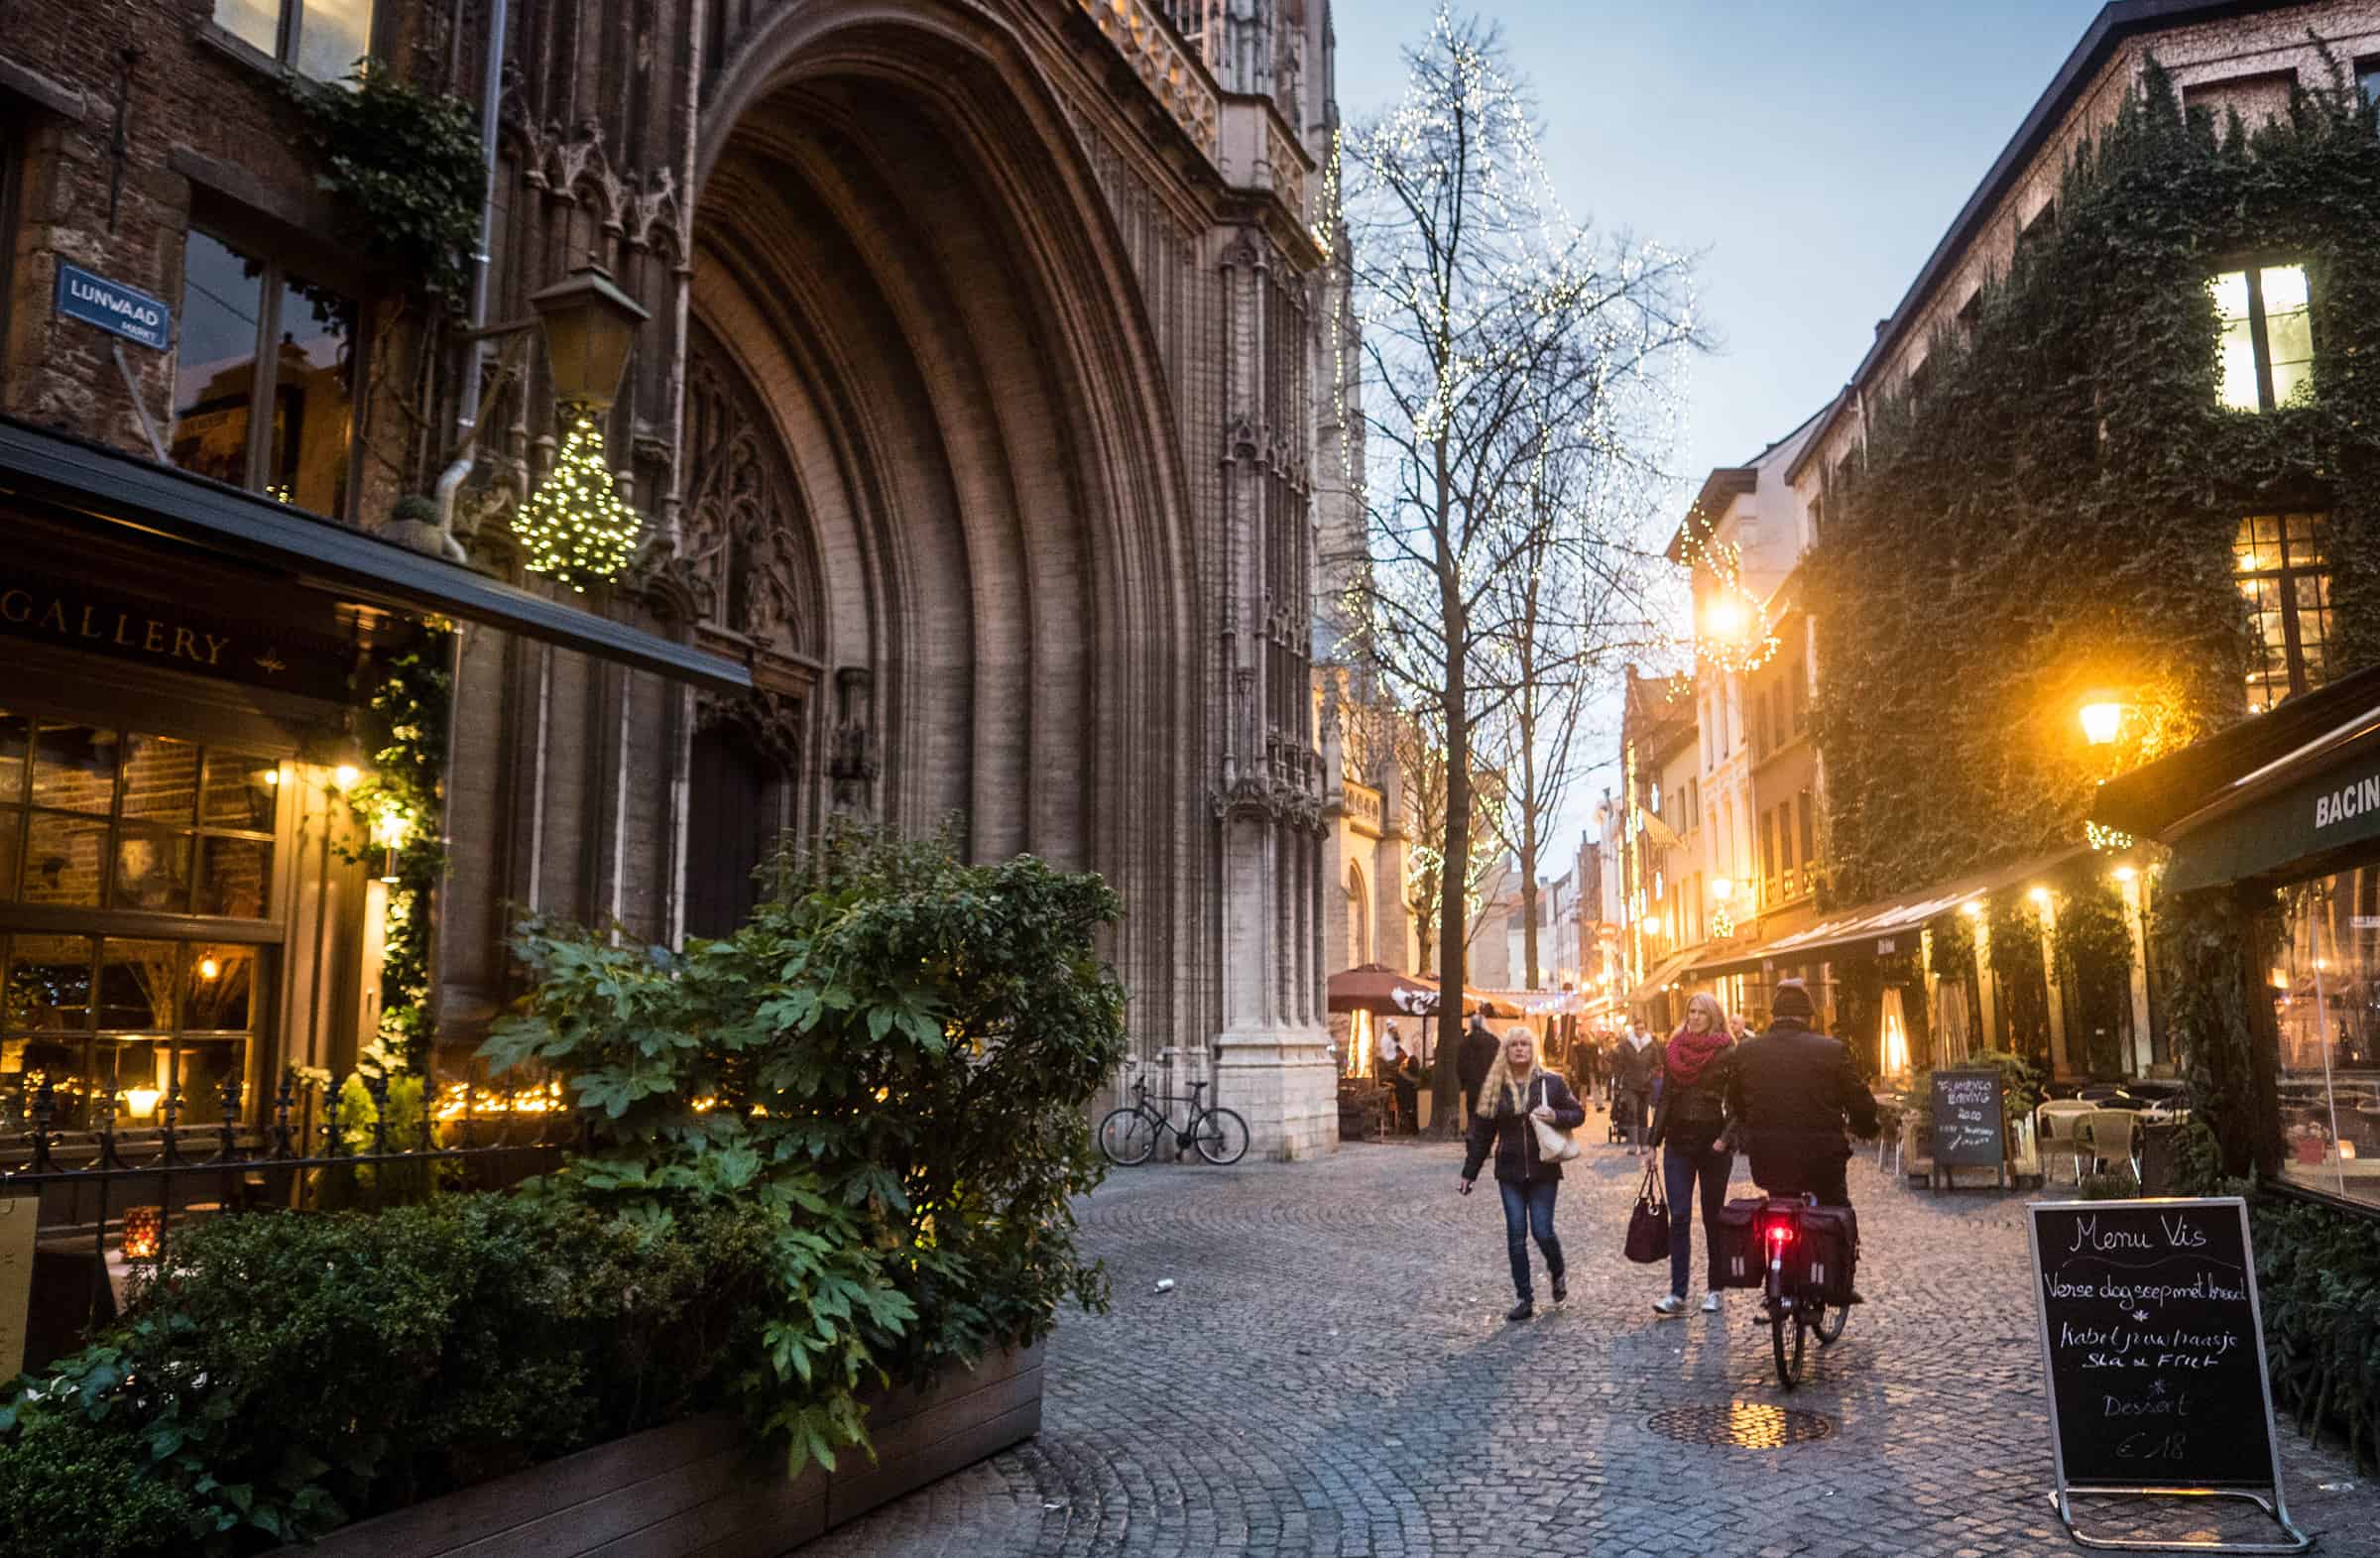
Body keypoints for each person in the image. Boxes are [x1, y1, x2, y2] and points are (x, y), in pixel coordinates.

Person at [1457, 1026, 1588, 1321]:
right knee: (1516, 1235)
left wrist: (1556, 1116)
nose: (1519, 1049)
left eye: (1524, 1044)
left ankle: (1557, 1271)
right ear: (1506, 1050)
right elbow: (1482, 1133)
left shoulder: (1550, 1083)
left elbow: (1578, 1114)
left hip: (1544, 1170)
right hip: (1509, 1172)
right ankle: (1524, 1298)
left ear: (1532, 1049)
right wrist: (1469, 1173)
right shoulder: (1496, 1087)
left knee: (1542, 1231)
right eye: (1513, 1044)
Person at [1725, 979, 1879, 1211]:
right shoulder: (1831, 1050)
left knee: (1775, 1208)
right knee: (1835, 1215)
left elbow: (1735, 1102)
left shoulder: (1747, 1051)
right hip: (1823, 1162)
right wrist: (1865, 1126)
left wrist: (1752, 1128)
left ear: (1774, 1016)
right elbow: (1860, 1101)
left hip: (1768, 1160)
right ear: (1809, 1017)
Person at [1647, 993, 1738, 1317]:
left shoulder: (1727, 1051)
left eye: (1702, 1012)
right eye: (1691, 1011)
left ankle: (1715, 1288)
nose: (1695, 1017)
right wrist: (1651, 1143)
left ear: (1713, 1016)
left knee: (1714, 1218)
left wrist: (1725, 1138)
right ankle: (1678, 1292)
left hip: (1713, 1144)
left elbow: (1740, 1102)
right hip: (1678, 1143)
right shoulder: (1674, 1049)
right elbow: (1666, 1100)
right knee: (1680, 1215)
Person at [1610, 1018, 1662, 1156]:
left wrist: (1650, 1074)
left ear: (1645, 1029)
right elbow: (1619, 1064)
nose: (1639, 1031)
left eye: (1642, 1028)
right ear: (1634, 1029)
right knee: (1632, 1111)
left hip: (1646, 1085)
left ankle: (1644, 1144)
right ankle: (1633, 1144)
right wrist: (1617, 1084)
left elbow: (1657, 1064)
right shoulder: (1626, 1045)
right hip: (1630, 1084)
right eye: (1637, 1028)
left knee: (1643, 1114)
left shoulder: (1651, 1045)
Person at [1456, 1012, 1499, 1126]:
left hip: (1472, 1086)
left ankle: (1472, 1136)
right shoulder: (1494, 1041)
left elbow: (1460, 1065)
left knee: (1472, 1114)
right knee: (1489, 1116)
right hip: (1491, 1085)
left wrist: (1463, 1083)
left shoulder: (1465, 1043)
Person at [1386, 1040, 1422, 1134]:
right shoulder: (1402, 1067)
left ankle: (1409, 1128)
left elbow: (1409, 1079)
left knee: (1409, 1112)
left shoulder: (1406, 1067)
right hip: (1408, 1098)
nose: (1397, 1056)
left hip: (1407, 1098)